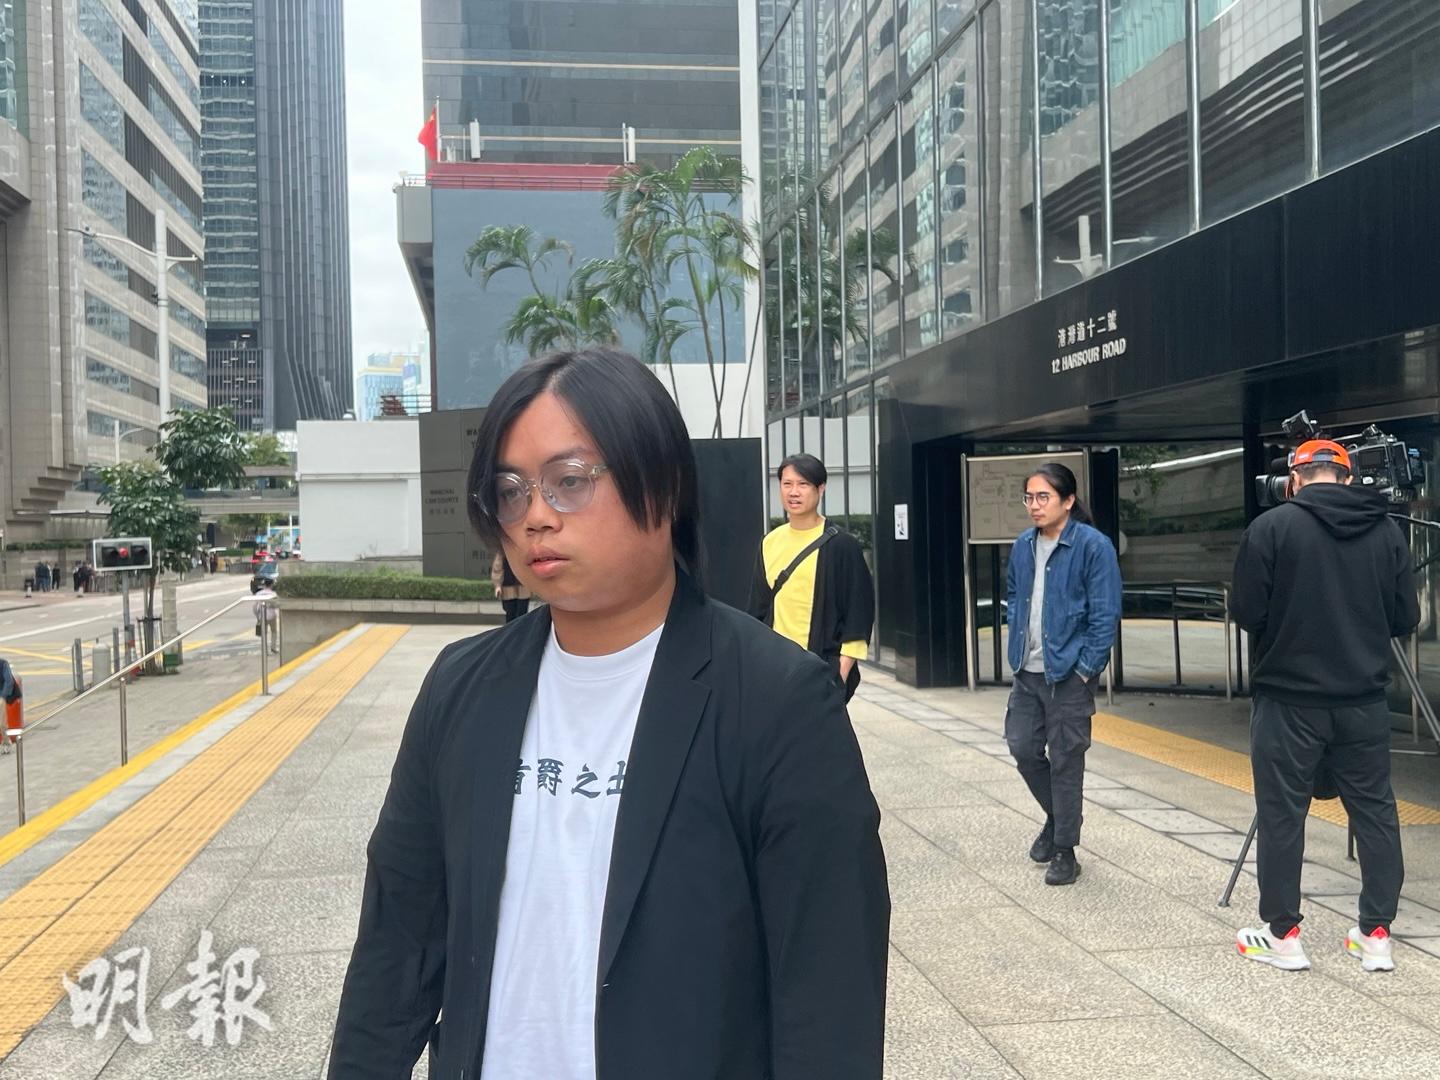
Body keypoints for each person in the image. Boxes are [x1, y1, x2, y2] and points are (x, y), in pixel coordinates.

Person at [329, 348, 889, 1080]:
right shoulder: (460, 687)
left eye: (569, 482)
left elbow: (829, 997)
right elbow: (396, 943)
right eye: (509, 491)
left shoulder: (779, 701)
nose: (535, 517)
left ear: (664, 485)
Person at [1230, 439, 1418, 973]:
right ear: (1347, 477)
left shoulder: (1271, 528)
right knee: (1375, 811)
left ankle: (1283, 935)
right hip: (1364, 701)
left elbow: (1247, 611)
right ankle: (1376, 934)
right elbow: (1405, 617)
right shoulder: (1387, 531)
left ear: (1294, 479)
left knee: (1282, 814)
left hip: (1288, 700)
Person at [1004, 462, 1122, 887]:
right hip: (1028, 670)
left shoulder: (1093, 547)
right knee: (1022, 747)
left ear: (1068, 500)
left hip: (1068, 674)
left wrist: (1085, 670)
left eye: (1044, 497)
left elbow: (1105, 614)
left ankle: (1065, 851)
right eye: (1029, 497)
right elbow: (1014, 595)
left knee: (1066, 761)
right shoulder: (1023, 545)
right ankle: (1057, 819)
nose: (1034, 506)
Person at [748, 453, 874, 702]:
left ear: (820, 488)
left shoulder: (842, 545)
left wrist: (841, 673)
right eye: (787, 484)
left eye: (803, 484)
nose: (794, 492)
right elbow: (757, 610)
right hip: (775, 668)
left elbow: (859, 612)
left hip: (822, 668)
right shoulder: (770, 542)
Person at [490, 550, 532, 623]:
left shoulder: (525, 548)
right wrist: (497, 585)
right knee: (510, 613)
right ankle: (512, 629)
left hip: (523, 587)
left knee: (522, 613)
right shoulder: (503, 551)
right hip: (508, 587)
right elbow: (497, 568)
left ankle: (522, 629)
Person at [1, 656, 21, 754]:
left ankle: (6, 742)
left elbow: (9, 681)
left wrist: (3, 697)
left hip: (1, 696)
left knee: (1, 723)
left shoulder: (3, 664)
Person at [252, 583, 279, 653]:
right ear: (271, 585)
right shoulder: (273, 594)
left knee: (264, 633)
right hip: (272, 616)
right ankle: (273, 648)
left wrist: (257, 616)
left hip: (262, 616)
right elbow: (276, 605)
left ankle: (265, 650)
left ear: (264, 585)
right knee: (274, 631)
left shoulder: (258, 594)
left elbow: (254, 606)